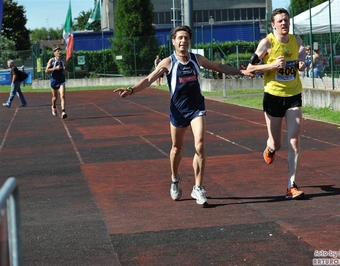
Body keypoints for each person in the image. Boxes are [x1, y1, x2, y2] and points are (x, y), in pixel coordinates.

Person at [114, 25, 252, 206]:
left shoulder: (197, 59)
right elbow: (148, 80)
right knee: (176, 148)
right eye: (179, 38)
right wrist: (131, 90)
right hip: (178, 111)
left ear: (190, 41)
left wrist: (240, 71)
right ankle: (174, 179)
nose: (183, 41)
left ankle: (198, 187)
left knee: (200, 144)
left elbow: (219, 67)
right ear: (173, 41)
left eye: (186, 38)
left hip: (197, 108)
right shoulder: (168, 62)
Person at [246, 8, 306, 199]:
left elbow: (301, 55)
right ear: (273, 25)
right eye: (280, 21)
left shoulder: (297, 41)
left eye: (286, 20)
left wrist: (302, 63)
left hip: (293, 95)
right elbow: (249, 69)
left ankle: (291, 185)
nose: (284, 23)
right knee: (277, 143)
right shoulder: (267, 43)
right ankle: (270, 148)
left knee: (294, 141)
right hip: (273, 96)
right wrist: (271, 66)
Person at [45, 45, 68, 119]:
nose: (59, 52)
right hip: (54, 80)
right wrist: (55, 68)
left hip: (61, 80)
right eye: (57, 50)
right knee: (55, 97)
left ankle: (63, 112)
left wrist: (65, 71)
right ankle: (53, 106)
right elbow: (47, 70)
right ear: (54, 52)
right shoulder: (52, 60)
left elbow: (66, 70)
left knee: (62, 96)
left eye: (60, 50)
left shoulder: (63, 60)